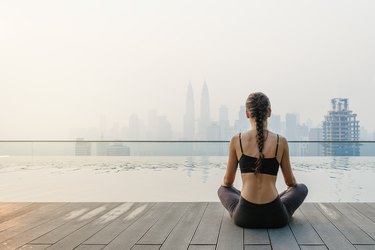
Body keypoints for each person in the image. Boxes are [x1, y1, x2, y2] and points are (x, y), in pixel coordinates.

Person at [217, 92, 308, 228]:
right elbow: (290, 182)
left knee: (222, 189)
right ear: (269, 112)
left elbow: (227, 182)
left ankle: (245, 197)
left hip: (244, 216)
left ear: (247, 114)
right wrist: (288, 191)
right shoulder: (280, 141)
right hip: (275, 216)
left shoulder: (237, 140)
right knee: (301, 188)